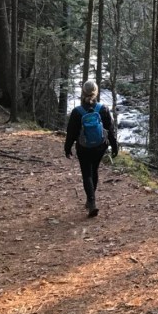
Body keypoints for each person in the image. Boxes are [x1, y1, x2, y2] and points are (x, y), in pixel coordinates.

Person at [65, 80, 118, 217]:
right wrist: (114, 146)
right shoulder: (103, 109)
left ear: (83, 93)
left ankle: (92, 202)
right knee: (94, 171)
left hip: (83, 148)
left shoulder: (77, 112)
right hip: (100, 147)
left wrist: (67, 147)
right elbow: (110, 130)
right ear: (96, 93)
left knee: (86, 174)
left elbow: (71, 132)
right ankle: (90, 201)